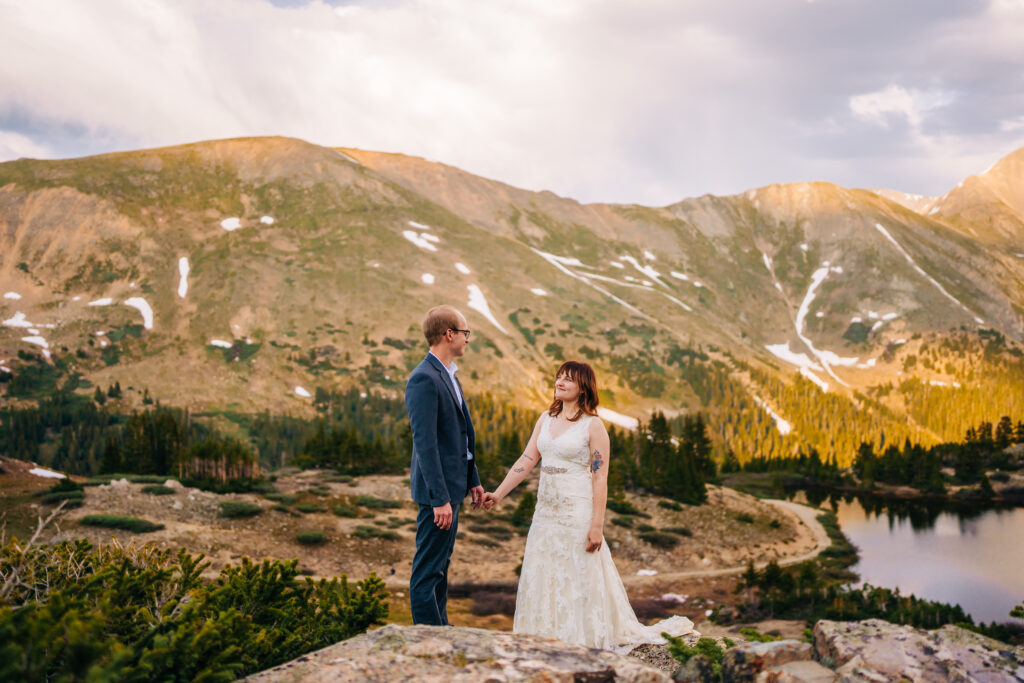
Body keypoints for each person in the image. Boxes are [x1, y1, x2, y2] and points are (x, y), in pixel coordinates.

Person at [483, 361, 696, 652]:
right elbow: (526, 460)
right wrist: (498, 494)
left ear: (583, 387)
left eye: (568, 379)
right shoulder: (544, 418)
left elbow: (600, 476)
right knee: (543, 571)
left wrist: (597, 525)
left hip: (576, 511)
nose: (560, 382)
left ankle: (580, 639)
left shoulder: (593, 425)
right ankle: (544, 637)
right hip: (545, 511)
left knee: (577, 573)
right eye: (559, 377)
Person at [405, 305, 485, 625]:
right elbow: (426, 444)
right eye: (465, 333)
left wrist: (472, 480)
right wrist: (439, 499)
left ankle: (442, 630)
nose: (468, 339)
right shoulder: (423, 378)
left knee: (441, 565)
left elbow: (459, 437)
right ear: (449, 334)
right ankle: (428, 642)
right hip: (437, 495)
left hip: (453, 489)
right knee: (427, 570)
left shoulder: (448, 375)